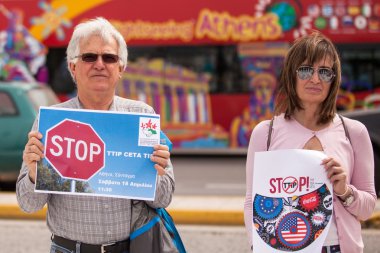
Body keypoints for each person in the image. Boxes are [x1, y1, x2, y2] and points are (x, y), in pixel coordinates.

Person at [16, 17, 175, 253]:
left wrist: (157, 175)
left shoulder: (142, 116)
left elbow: (163, 199)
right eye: (89, 57)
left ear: (120, 68)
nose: (99, 64)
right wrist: (33, 173)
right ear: (73, 66)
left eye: (109, 57)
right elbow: (28, 204)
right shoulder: (51, 121)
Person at [244, 31, 376, 253]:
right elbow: (252, 202)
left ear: (333, 80)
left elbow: (367, 208)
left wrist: (345, 191)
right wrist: (259, 246)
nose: (315, 79)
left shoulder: (354, 132)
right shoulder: (264, 134)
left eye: (325, 72)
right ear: (291, 75)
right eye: (306, 70)